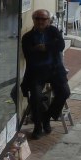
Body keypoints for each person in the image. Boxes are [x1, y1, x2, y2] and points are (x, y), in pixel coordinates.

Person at [21, 9, 70, 140]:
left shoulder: (53, 31)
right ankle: (38, 126)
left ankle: (47, 117)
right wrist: (42, 49)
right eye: (37, 19)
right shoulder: (27, 37)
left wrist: (45, 47)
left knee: (65, 92)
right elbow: (28, 54)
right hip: (36, 71)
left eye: (43, 19)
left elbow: (61, 45)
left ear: (48, 21)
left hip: (55, 70)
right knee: (35, 97)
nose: (40, 21)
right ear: (33, 20)